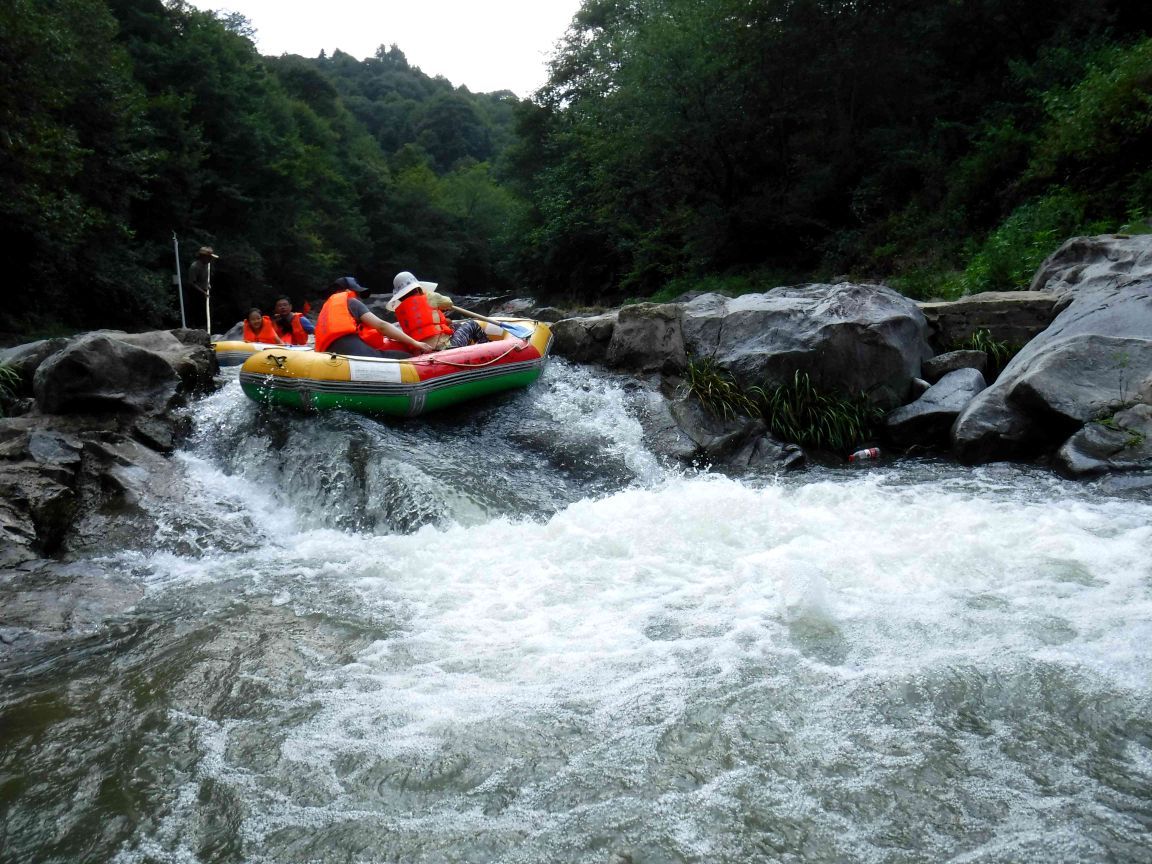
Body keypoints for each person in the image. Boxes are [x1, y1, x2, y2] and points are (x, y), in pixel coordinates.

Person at [314, 276, 432, 358]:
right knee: (406, 357)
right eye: (357, 293)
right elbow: (382, 326)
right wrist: (416, 343)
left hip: (330, 358)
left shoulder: (325, 310)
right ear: (348, 290)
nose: (358, 297)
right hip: (354, 356)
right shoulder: (351, 303)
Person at [388, 271, 489, 350]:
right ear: (418, 287)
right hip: (444, 348)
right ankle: (487, 349)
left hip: (421, 350)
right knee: (472, 324)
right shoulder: (429, 297)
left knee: (455, 326)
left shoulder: (401, 310)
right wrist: (426, 294)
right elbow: (449, 303)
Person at [185, 246, 218, 330]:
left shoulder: (207, 265)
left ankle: (205, 328)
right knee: (196, 311)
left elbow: (205, 278)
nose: (210, 259)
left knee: (206, 311)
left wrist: (208, 284)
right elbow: (192, 283)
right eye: (209, 257)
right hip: (195, 292)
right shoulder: (194, 266)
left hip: (204, 290)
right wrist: (203, 292)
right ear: (203, 257)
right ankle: (194, 329)